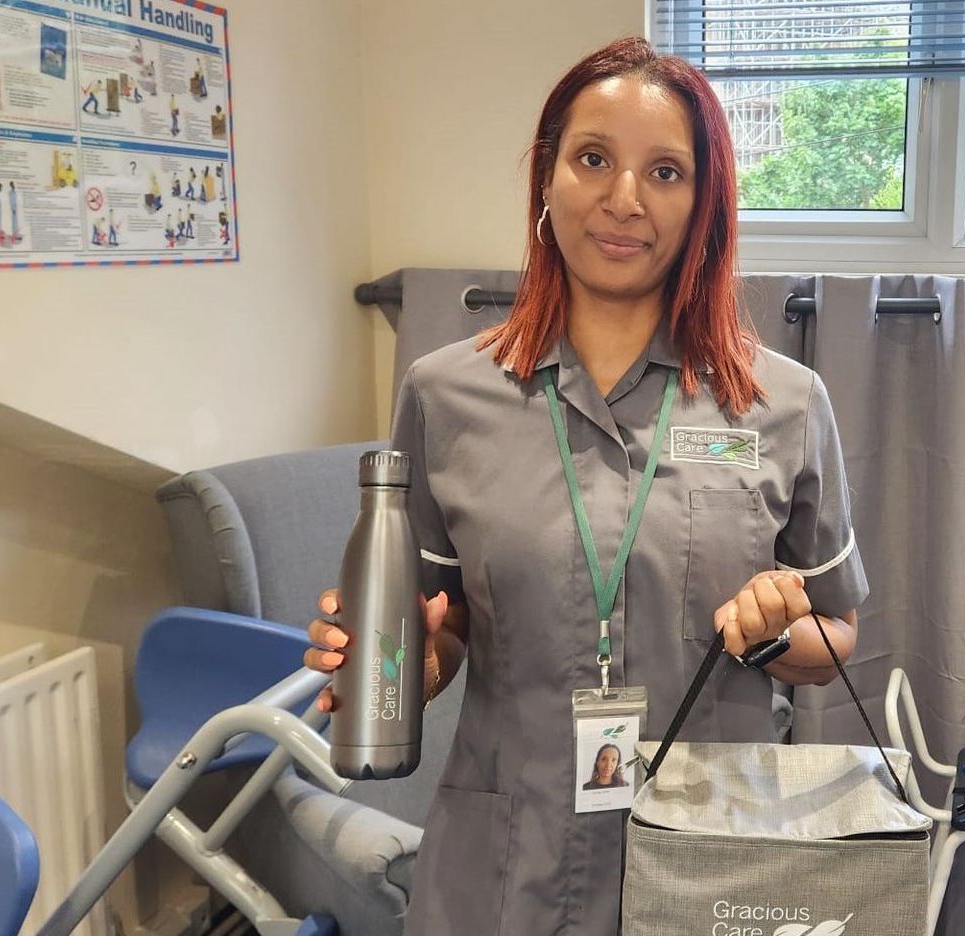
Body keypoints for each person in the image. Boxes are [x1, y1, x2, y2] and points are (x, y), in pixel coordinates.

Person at [303, 37, 868, 936]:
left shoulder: (784, 404)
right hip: (507, 862)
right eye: (593, 158)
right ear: (547, 180)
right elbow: (438, 637)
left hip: (712, 856)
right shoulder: (446, 394)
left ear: (705, 206)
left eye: (667, 171)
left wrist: (767, 636)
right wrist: (393, 657)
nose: (624, 199)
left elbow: (836, 633)